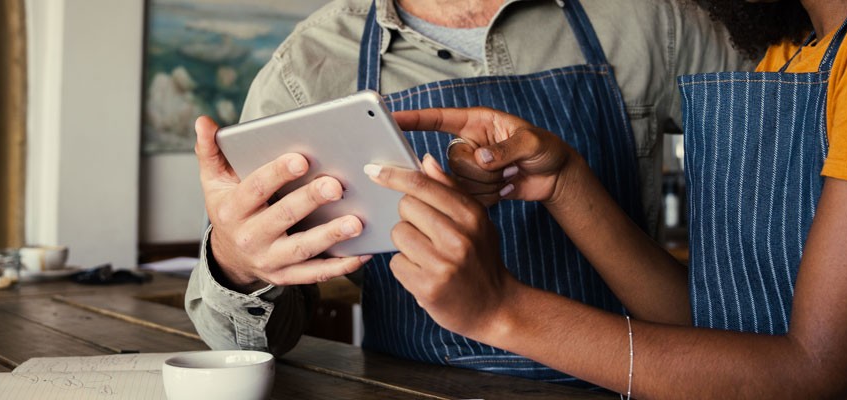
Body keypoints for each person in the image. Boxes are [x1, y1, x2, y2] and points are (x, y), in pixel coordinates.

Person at [364, 0, 847, 398]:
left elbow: (825, 377)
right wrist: (565, 181)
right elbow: (713, 331)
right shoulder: (791, 54)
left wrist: (499, 311)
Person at [185, 0, 751, 385]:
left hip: (650, 380)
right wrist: (235, 261)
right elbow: (253, 342)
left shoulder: (657, 21)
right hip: (414, 391)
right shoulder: (304, 70)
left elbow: (776, 255)